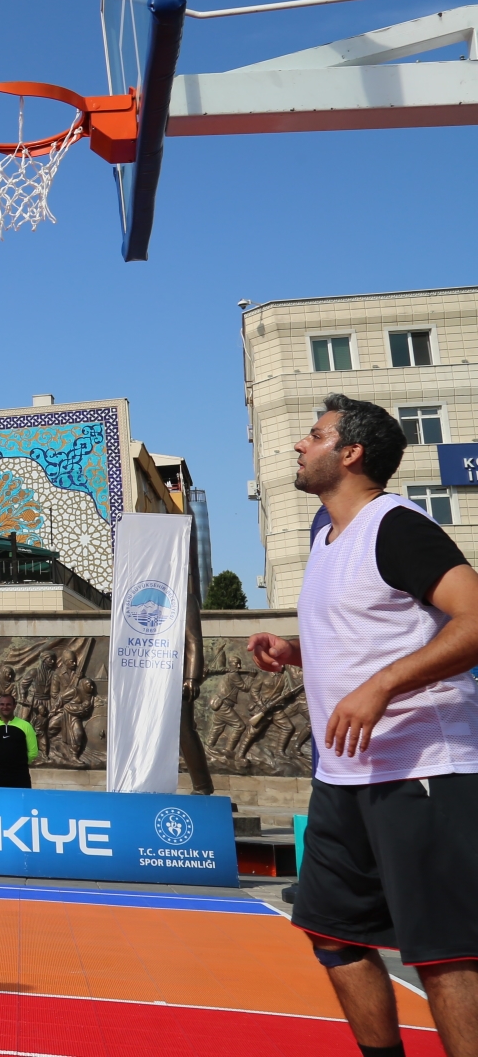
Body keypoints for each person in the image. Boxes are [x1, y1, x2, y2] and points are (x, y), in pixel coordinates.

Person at [246, 395, 478, 1057]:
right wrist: (296, 651)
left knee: (445, 955)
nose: (299, 445)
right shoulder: (326, 533)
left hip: (424, 766)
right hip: (343, 776)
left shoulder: (396, 525)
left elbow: (474, 620)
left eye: (314, 435)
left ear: (350, 454)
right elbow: (367, 631)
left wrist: (381, 687)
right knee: (332, 934)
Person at [0, 692, 38, 789]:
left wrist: (17, 763)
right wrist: (2, 762)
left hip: (21, 779)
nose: (5, 707)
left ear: (14, 706)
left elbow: (33, 752)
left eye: (8, 704)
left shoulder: (26, 726)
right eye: (2, 704)